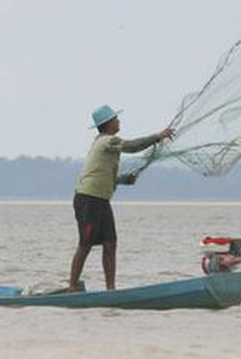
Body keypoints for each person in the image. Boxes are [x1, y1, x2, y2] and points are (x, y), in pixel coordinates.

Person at [68, 105, 174, 291]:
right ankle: (72, 287)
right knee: (85, 243)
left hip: (101, 201)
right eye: (116, 119)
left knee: (110, 243)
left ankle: (111, 289)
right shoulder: (108, 141)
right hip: (88, 200)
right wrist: (158, 136)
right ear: (108, 124)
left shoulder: (107, 143)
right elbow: (132, 147)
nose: (118, 121)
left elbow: (103, 175)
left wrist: (124, 180)